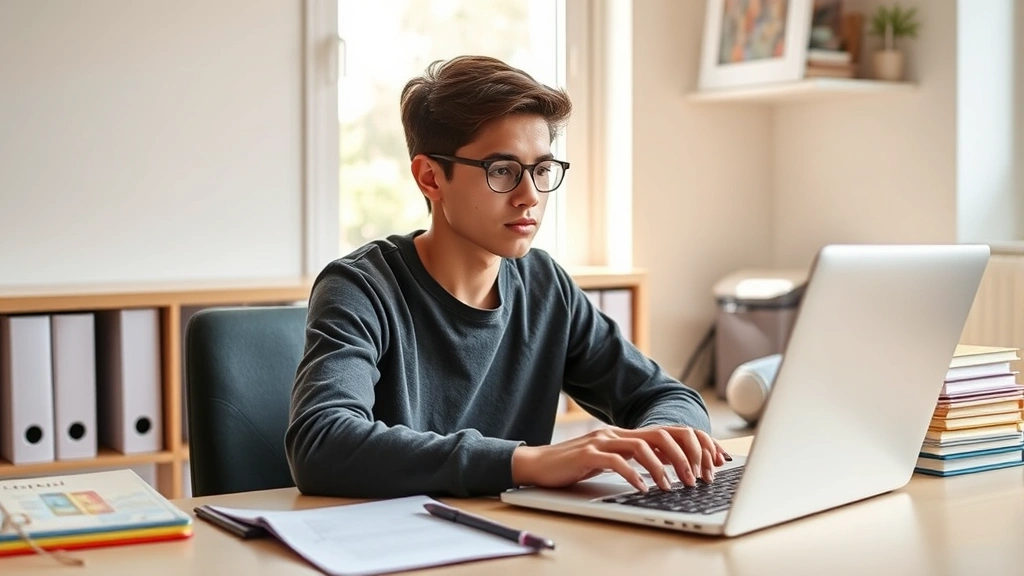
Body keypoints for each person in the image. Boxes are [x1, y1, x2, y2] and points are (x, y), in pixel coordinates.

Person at [285, 55, 729, 499]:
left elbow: (666, 396)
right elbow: (321, 441)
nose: (530, 196)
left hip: (519, 545)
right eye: (502, 170)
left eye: (540, 170)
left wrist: (663, 437)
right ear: (430, 178)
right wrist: (527, 462)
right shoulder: (360, 288)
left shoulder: (544, 285)